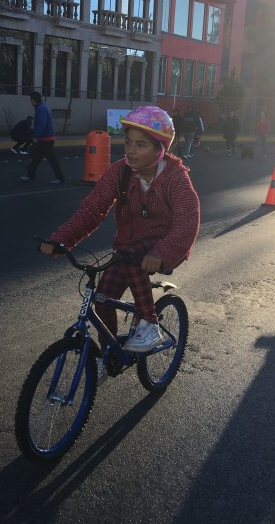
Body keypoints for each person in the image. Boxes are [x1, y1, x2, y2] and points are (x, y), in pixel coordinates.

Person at [39, 105, 200, 362]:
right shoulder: (120, 171)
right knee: (103, 298)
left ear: (161, 149)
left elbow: (186, 221)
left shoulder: (175, 177)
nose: (131, 150)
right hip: (127, 248)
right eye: (127, 142)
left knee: (133, 255)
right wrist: (61, 239)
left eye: (140, 145)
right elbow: (92, 209)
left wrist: (162, 253)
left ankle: (149, 324)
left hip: (164, 244)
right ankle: (108, 355)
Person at [21, 91, 66, 184]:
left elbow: (42, 124)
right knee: (35, 158)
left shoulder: (41, 109)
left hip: (46, 140)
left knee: (51, 159)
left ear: (33, 100)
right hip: (44, 138)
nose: (30, 102)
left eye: (31, 100)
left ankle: (60, 178)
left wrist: (36, 137)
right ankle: (30, 176)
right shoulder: (41, 107)